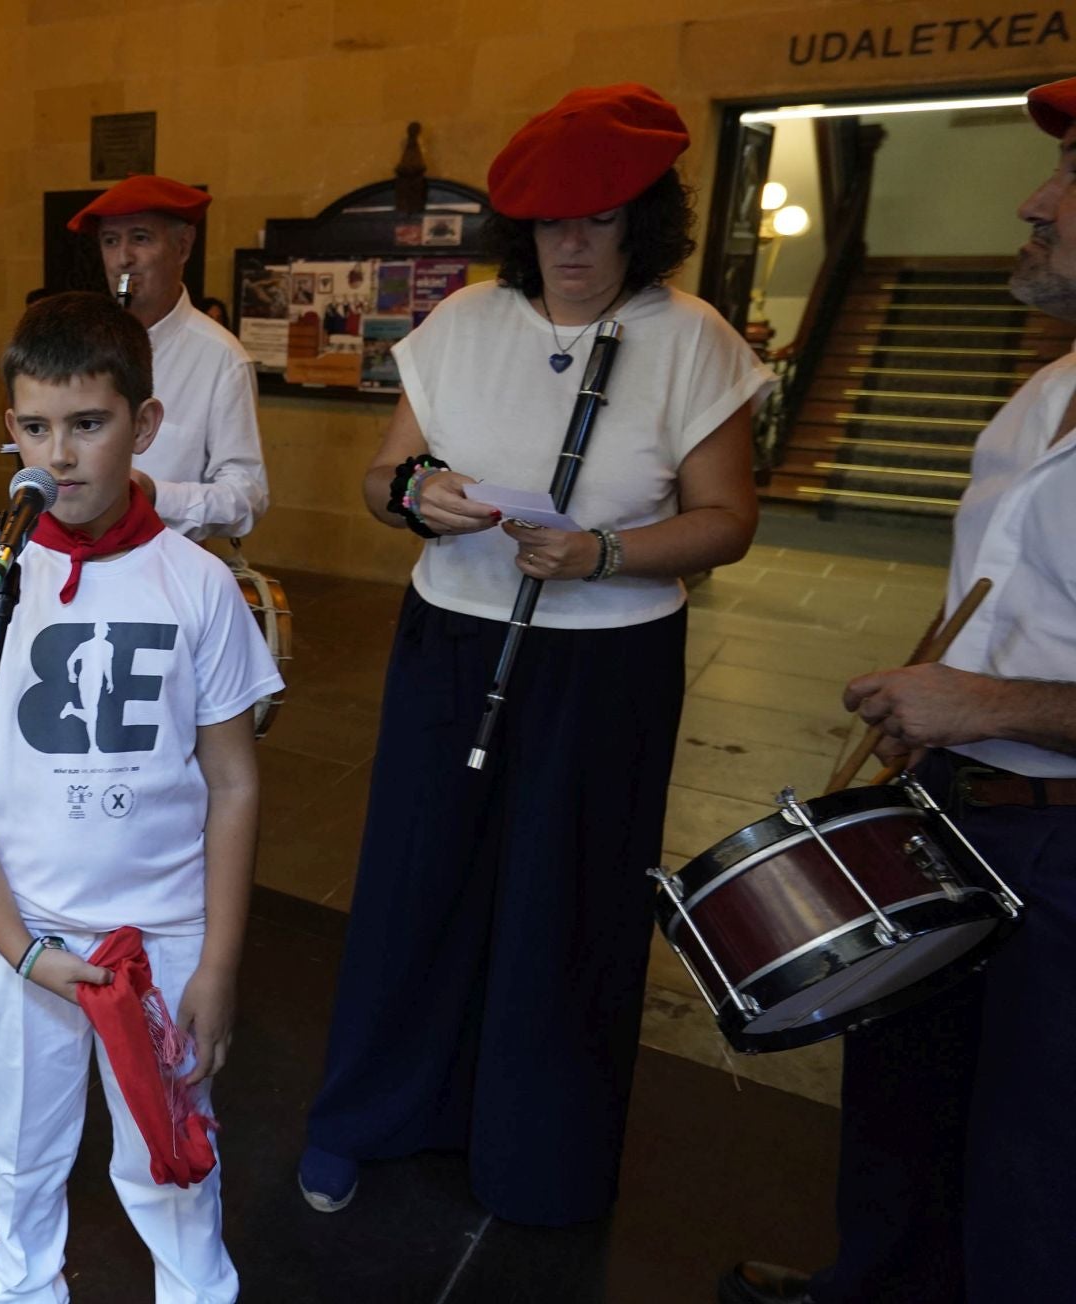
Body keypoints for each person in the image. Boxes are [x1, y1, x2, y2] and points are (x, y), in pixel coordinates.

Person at [295, 84, 768, 1226]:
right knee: (418, 878)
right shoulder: (463, 321)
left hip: (607, 664)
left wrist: (606, 552)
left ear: (642, 220)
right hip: (453, 641)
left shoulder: (693, 339)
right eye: (553, 223)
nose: (574, 245)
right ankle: (372, 1111)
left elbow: (728, 520)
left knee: (568, 905)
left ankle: (536, 1154)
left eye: (599, 219)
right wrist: (420, 496)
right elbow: (383, 477)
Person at [721, 77, 1076, 1304]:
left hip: (1063, 837)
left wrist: (990, 706)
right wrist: (938, 705)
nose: (1034, 202)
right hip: (961, 813)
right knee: (906, 1109)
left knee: (1039, 1159)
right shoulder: (1042, 396)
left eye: (1073, 178)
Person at [0, 292, 282, 1302]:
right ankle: (25, 1285)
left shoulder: (198, 585)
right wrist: (15, 941)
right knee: (21, 1147)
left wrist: (220, 963)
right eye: (34, 427)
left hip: (164, 934)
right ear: (9, 430)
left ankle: (196, 1289)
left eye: (88, 423)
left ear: (144, 425)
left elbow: (234, 780)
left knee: (169, 1150)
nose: (58, 455)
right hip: (26, 930)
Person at [68, 175, 268, 541]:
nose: (123, 259)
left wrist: (157, 495)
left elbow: (246, 497)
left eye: (140, 238)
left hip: (165, 560)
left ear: (183, 246)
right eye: (110, 241)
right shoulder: (80, 343)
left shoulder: (221, 357)